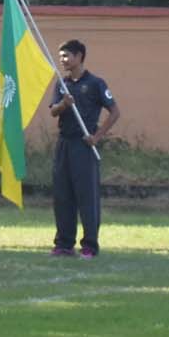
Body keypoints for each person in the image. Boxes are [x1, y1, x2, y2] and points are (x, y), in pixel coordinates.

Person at [49, 39, 120, 259]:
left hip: (84, 145)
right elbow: (53, 111)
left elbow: (115, 112)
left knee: (87, 196)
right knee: (62, 195)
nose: (62, 60)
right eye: (60, 56)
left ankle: (89, 245)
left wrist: (96, 137)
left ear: (79, 56)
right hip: (64, 144)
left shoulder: (96, 83)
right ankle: (64, 244)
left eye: (66, 55)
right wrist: (64, 104)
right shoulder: (62, 84)